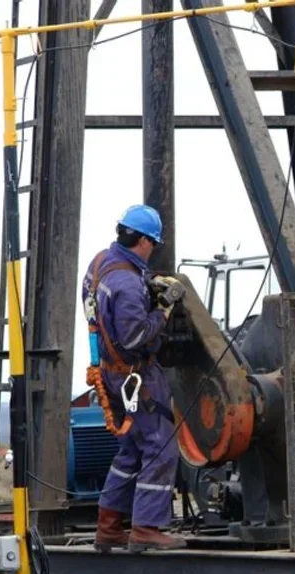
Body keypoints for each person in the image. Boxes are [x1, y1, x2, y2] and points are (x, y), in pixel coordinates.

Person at [82, 204, 188, 553]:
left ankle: (108, 526)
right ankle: (146, 528)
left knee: (130, 450)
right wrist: (162, 310)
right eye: (152, 244)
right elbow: (134, 336)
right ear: (142, 240)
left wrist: (150, 283)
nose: (153, 249)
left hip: (110, 374)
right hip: (136, 377)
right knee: (160, 445)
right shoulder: (127, 284)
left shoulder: (100, 265)